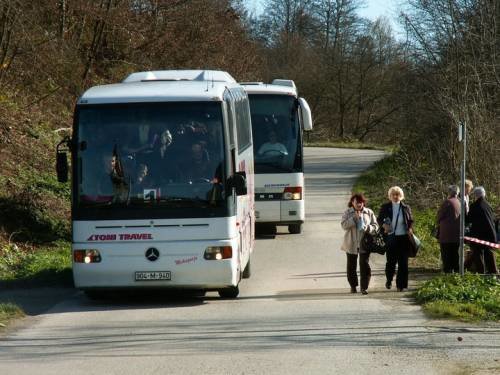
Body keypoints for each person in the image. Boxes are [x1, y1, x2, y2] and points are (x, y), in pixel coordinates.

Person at [340, 193, 379, 295]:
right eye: (357, 202)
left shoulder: (369, 212)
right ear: (352, 202)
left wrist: (368, 228)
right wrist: (354, 219)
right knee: (351, 266)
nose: (359, 204)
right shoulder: (348, 213)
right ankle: (353, 286)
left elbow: (376, 226)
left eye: (361, 202)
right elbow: (343, 225)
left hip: (365, 243)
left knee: (364, 265)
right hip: (351, 243)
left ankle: (364, 287)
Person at [377, 186, 414, 292]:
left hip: (403, 238)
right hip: (390, 237)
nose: (395, 196)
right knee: (391, 263)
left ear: (401, 196)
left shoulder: (406, 208)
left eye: (397, 194)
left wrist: (410, 228)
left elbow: (410, 220)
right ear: (390, 196)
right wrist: (384, 225)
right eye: (393, 194)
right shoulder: (385, 207)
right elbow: (379, 219)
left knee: (403, 263)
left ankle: (400, 286)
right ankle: (389, 279)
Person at [466, 186, 498, 274]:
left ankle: (481, 272)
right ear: (484, 194)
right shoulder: (488, 205)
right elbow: (494, 219)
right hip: (490, 233)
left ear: (476, 195)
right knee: (489, 253)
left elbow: (468, 219)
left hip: (478, 234)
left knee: (477, 252)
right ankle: (493, 272)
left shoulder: (474, 206)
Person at [436, 185, 461, 273]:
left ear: (449, 192)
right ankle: (456, 271)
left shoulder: (447, 202)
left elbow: (439, 216)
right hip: (457, 233)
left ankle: (448, 272)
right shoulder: (459, 202)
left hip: (446, 234)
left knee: (446, 254)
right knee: (455, 253)